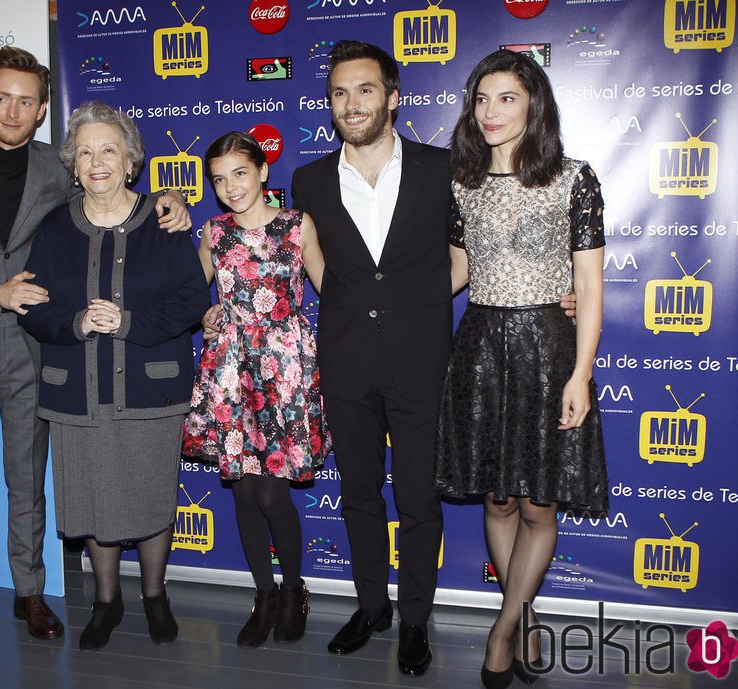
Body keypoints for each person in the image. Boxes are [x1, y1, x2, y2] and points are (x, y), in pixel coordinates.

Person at [0, 47, 190, 660]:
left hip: (36, 351)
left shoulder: (55, 170)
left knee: (28, 479)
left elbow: (113, 182)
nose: (13, 109)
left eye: (27, 100)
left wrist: (173, 200)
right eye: (2, 97)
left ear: (40, 111)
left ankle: (31, 593)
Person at [433, 49, 608, 689]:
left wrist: (580, 374)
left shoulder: (574, 178)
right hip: (480, 347)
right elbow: (458, 270)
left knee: (539, 504)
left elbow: (588, 288)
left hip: (547, 350)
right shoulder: (460, 180)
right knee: (499, 498)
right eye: (481, 98)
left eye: (506, 97)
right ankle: (524, 615)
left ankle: (504, 627)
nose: (490, 111)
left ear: (534, 103)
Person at [288, 40, 454, 676]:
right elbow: (309, 259)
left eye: (364, 90)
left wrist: (413, 305)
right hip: (347, 358)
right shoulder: (307, 180)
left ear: (392, 95)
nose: (351, 103)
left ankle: (414, 620)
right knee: (358, 494)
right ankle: (371, 607)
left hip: (419, 359)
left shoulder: (442, 170)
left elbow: (464, 256)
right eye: (339, 93)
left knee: (418, 500)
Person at [18, 100, 208, 651]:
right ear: (73, 166)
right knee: (92, 500)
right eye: (84, 152)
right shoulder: (55, 227)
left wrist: (127, 322)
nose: (97, 161)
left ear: (130, 161)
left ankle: (154, 595)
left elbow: (192, 300)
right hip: (77, 390)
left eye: (108, 150)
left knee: (151, 499)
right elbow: (32, 304)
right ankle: (105, 601)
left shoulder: (165, 221)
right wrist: (76, 322)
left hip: (152, 387)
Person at [182, 132, 331, 648]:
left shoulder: (297, 225)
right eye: (219, 180)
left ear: (264, 172)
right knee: (244, 493)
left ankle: (294, 590)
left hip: (284, 371)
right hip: (230, 370)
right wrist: (203, 310)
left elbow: (331, 288)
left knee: (273, 493)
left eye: (240, 173)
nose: (230, 187)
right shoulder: (214, 232)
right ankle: (263, 594)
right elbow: (188, 294)